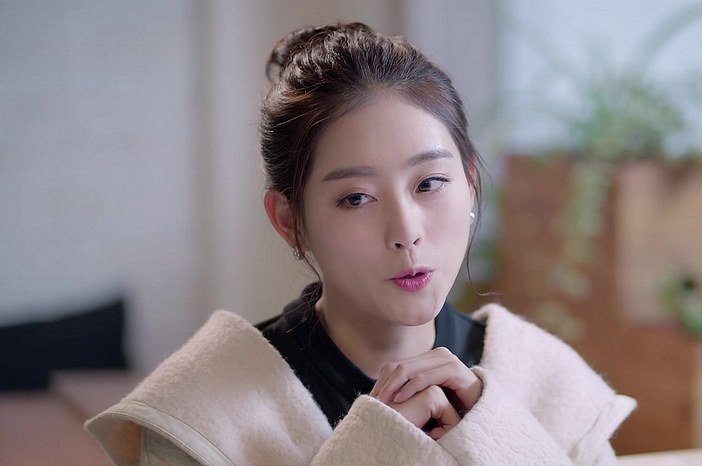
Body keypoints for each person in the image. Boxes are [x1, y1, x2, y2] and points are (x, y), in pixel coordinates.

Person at [85, 22, 635, 465]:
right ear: (290, 221)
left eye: (429, 183)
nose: (405, 231)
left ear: (470, 182)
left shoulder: (543, 382)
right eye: (355, 198)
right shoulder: (205, 415)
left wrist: (503, 441)